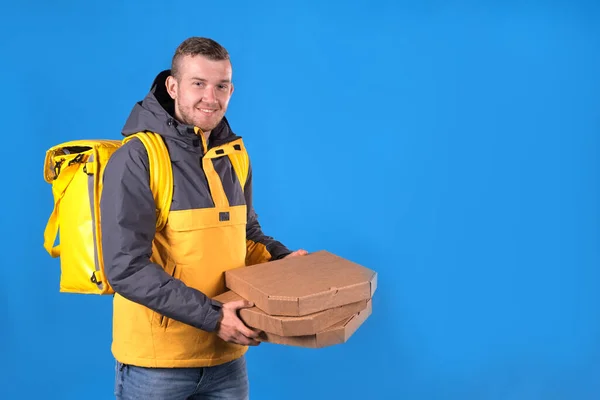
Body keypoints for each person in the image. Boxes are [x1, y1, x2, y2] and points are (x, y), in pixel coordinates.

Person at [100, 36, 307, 400]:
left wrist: (282, 261)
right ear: (173, 85)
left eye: (221, 86)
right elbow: (125, 268)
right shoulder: (138, 157)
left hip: (227, 359)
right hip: (157, 365)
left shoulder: (234, 155)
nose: (211, 98)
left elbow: (247, 235)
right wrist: (214, 317)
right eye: (198, 84)